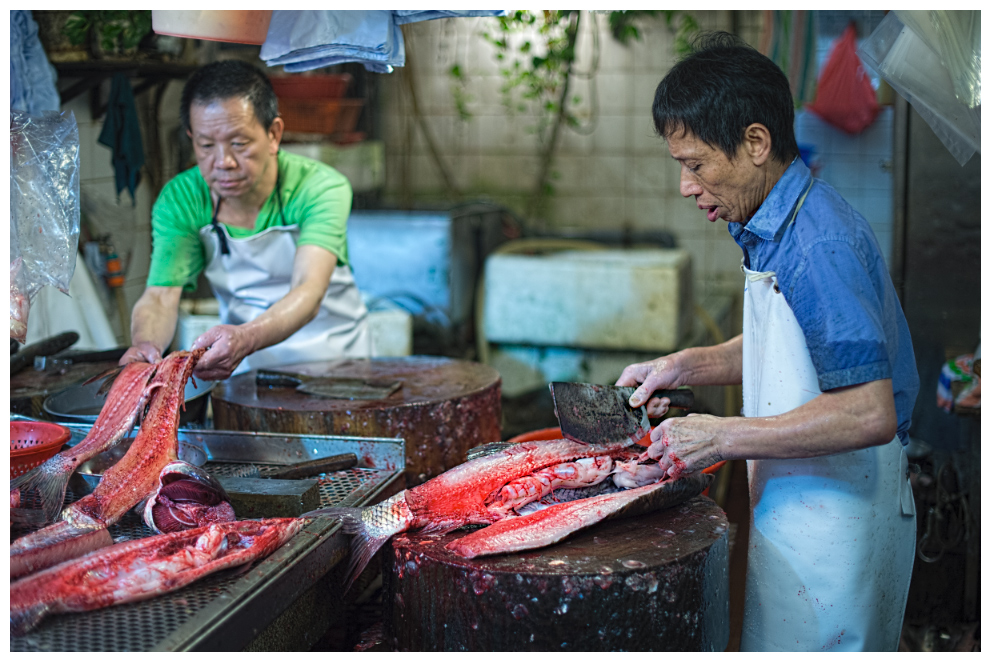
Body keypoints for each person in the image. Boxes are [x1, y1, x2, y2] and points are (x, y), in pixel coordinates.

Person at [616, 33, 919, 651]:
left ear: (756, 143)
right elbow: (787, 345)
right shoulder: (774, 225)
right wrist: (683, 366)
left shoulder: (816, 244)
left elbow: (869, 411)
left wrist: (720, 435)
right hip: (801, 498)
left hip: (841, 519)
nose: (686, 186)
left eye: (695, 165)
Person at [120, 60, 370, 380]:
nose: (223, 162)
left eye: (239, 143)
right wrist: (146, 346)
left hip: (338, 362)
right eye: (206, 145)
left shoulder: (320, 186)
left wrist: (245, 338)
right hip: (246, 371)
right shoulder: (182, 197)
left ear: (274, 134)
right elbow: (161, 295)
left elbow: (308, 291)